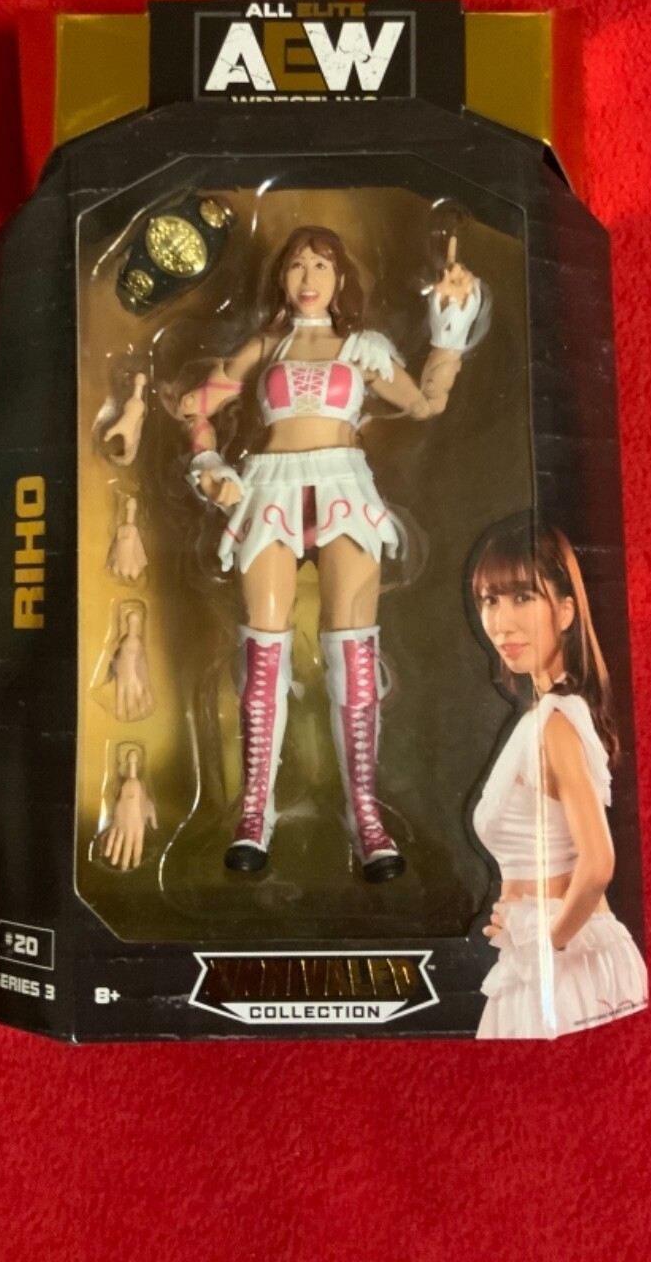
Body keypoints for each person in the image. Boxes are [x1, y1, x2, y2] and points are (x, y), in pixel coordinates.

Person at [175, 223, 484, 880]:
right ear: (281, 278)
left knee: (353, 650)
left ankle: (365, 813)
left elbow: (427, 403)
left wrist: (450, 323)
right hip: (271, 488)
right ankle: (254, 811)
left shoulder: (363, 347)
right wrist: (207, 464)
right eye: (296, 265)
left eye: (321, 264)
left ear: (340, 277)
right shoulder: (266, 345)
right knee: (263, 651)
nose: (308, 277)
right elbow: (195, 406)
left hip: (344, 487)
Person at [468, 515, 647, 1037]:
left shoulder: (556, 723)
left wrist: (543, 945)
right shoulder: (550, 715)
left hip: (566, 965)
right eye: (490, 600)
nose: (502, 623)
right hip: (559, 958)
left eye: (523, 597)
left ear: (565, 610)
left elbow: (598, 865)